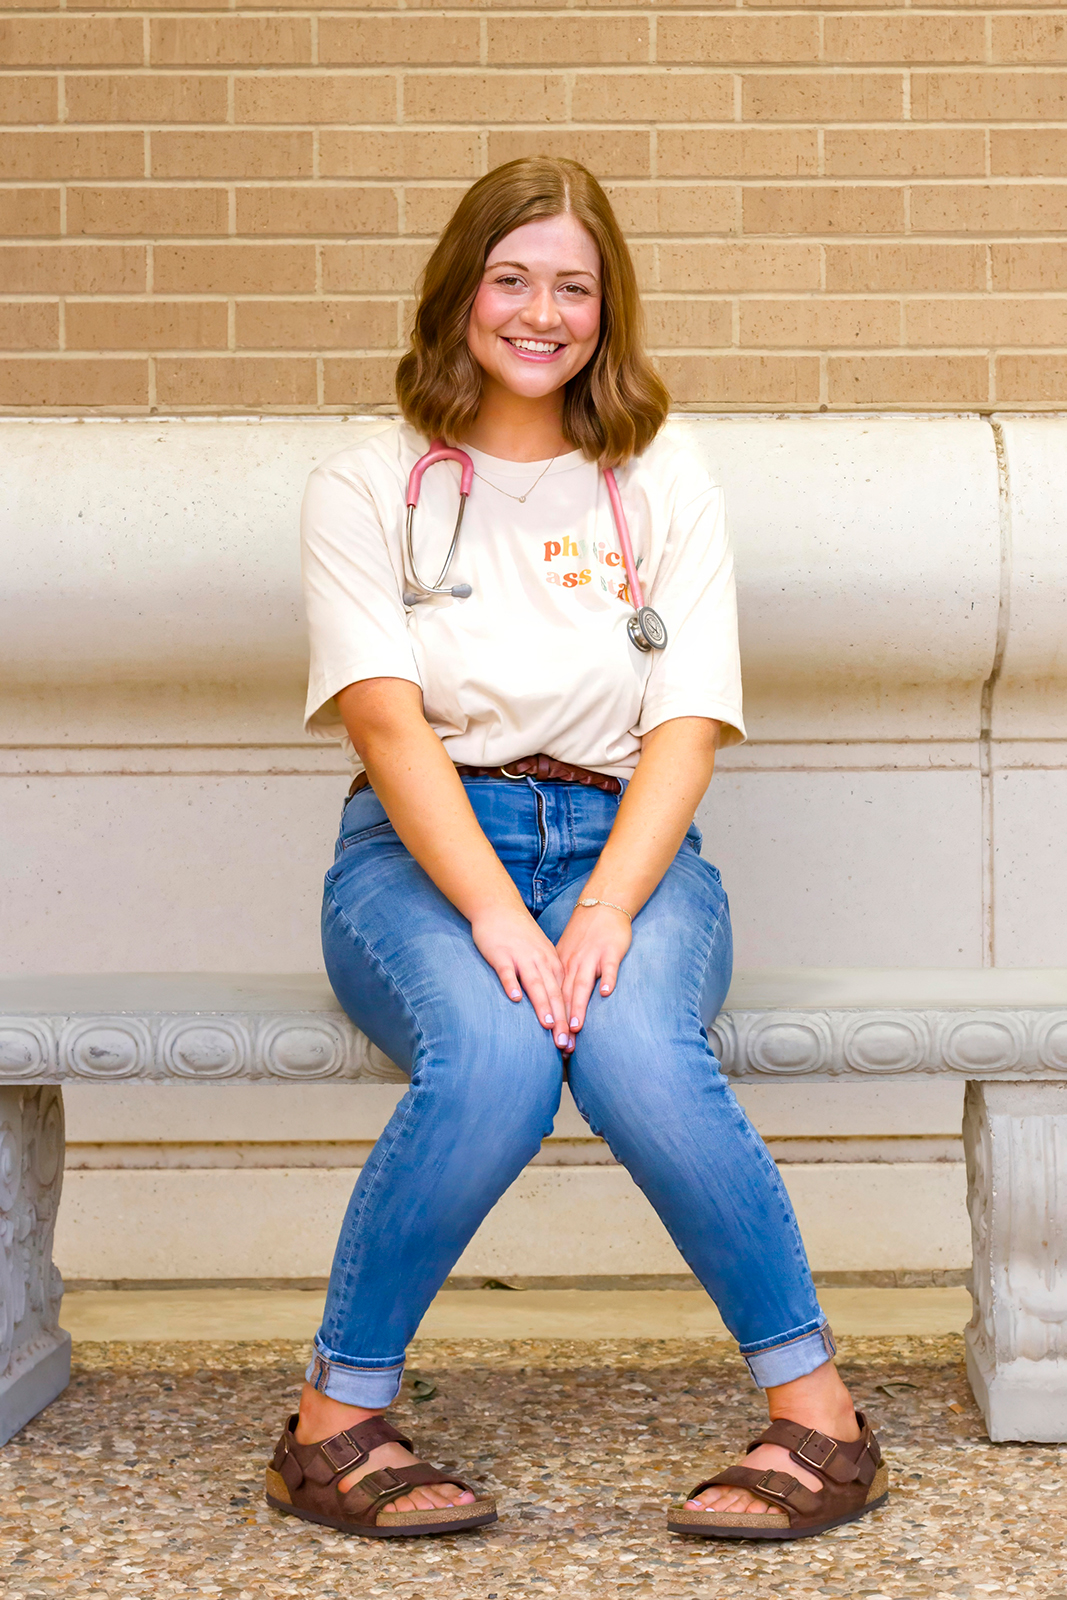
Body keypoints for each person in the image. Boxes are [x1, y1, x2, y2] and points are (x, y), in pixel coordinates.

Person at [264, 157, 888, 1542]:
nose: (541, 313)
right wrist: (495, 916)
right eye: (512, 277)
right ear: (460, 290)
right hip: (424, 857)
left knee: (637, 1046)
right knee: (488, 1051)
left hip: (628, 843)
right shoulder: (371, 478)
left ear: (609, 309)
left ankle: (819, 1422)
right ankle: (333, 1424)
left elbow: (689, 721)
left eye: (574, 286)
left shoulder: (658, 474)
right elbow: (386, 723)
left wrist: (603, 908)